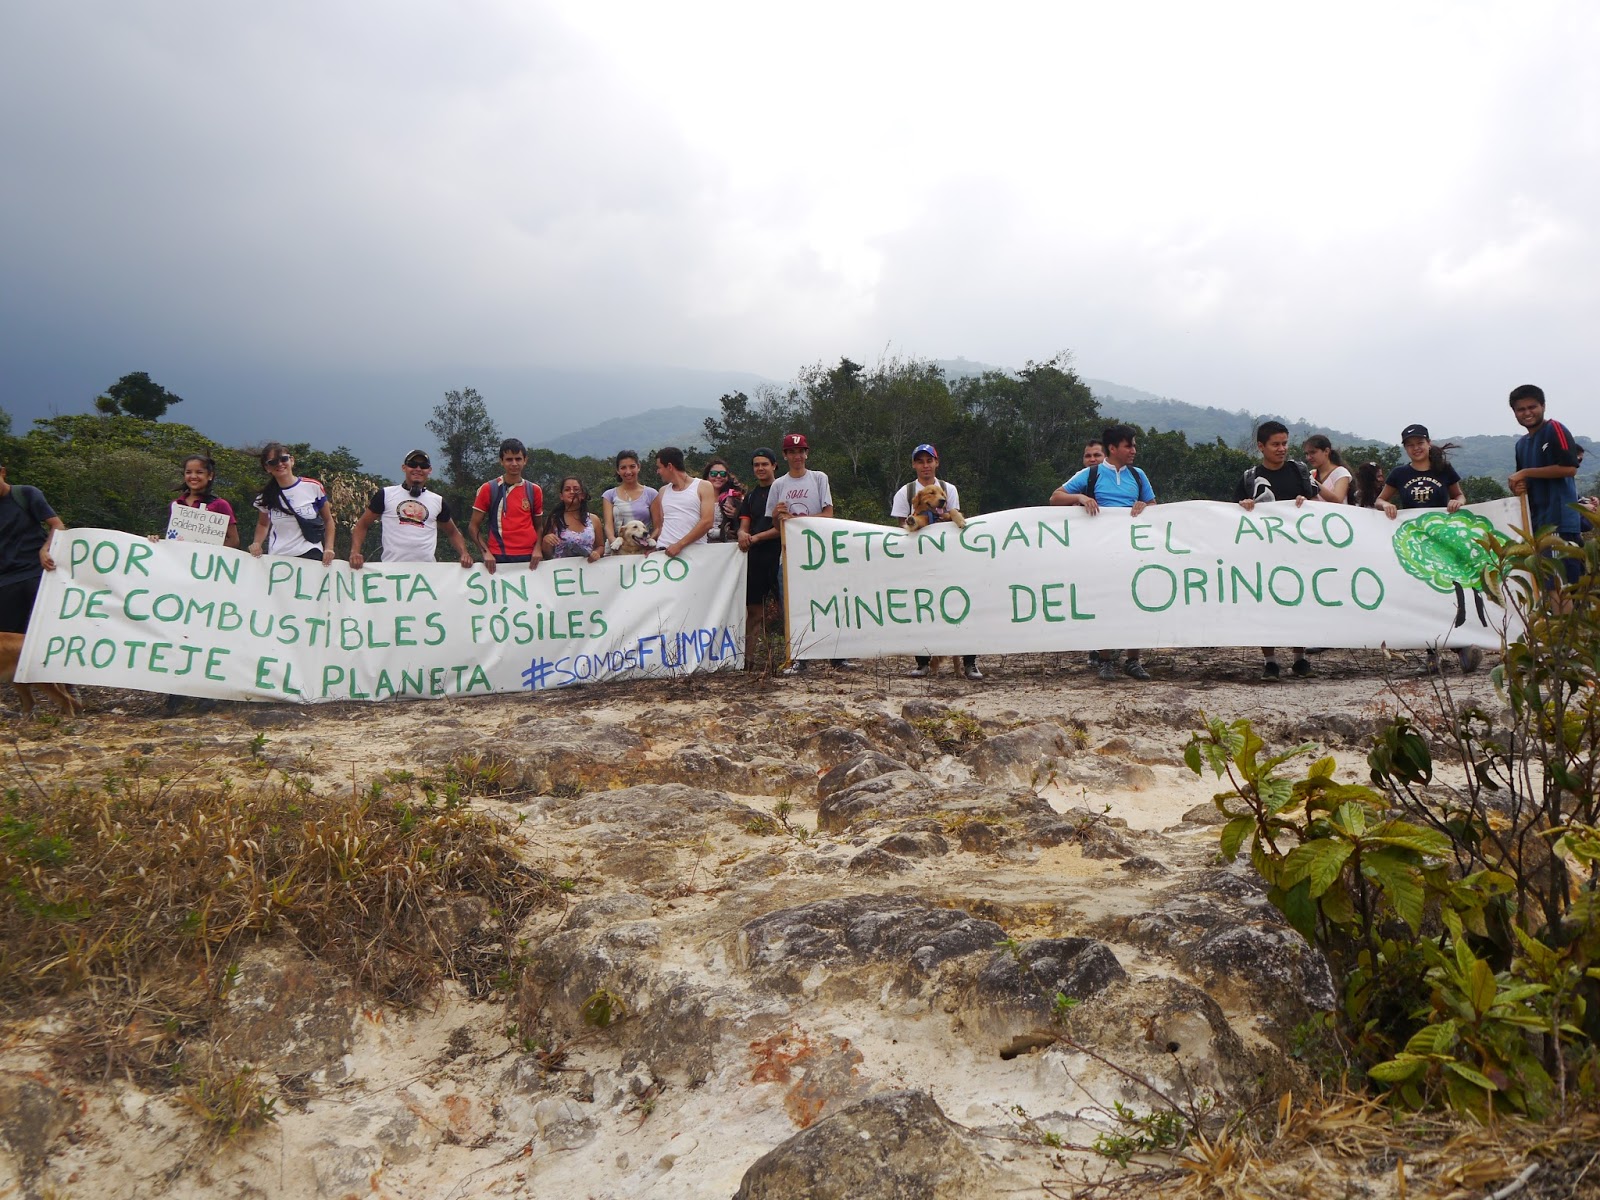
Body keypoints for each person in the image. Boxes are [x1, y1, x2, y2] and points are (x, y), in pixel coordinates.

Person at [1053, 424, 1156, 682]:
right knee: (1107, 602)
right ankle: (1106, 661)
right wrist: (1080, 498)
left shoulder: (1138, 474)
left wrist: (1145, 505)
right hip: (1103, 552)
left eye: (1133, 445)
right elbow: (1055, 497)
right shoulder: (1093, 473)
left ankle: (1133, 660)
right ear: (1113, 448)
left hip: (1135, 551)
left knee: (1137, 602)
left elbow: (1154, 506)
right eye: (1128, 445)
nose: (1134, 450)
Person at [1378, 424, 1479, 673]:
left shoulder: (1444, 470)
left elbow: (1461, 496)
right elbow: (1381, 498)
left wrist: (1458, 502)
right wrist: (1385, 506)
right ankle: (1432, 655)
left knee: (1449, 592)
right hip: (1414, 543)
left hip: (1444, 541)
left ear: (1428, 443)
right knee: (1423, 596)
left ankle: (1462, 645)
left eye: (1420, 443)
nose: (1416, 448)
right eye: (1410, 444)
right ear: (1405, 448)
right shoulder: (1399, 474)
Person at [890, 443, 981, 680]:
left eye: (929, 460)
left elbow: (956, 520)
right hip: (919, 560)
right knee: (922, 606)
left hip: (950, 559)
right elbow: (903, 526)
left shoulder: (948, 489)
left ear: (936, 463)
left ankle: (970, 662)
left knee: (962, 605)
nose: (925, 465)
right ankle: (923, 663)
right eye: (920, 461)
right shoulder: (906, 492)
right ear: (914, 465)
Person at [1236, 421, 1318, 679]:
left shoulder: (1300, 471)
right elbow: (1233, 513)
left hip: (1297, 549)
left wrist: (1307, 503)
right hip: (1263, 552)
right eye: (1275, 444)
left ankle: (1299, 658)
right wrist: (1245, 504)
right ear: (1261, 446)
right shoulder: (1249, 478)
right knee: (1266, 604)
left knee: (1300, 600)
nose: (1282, 449)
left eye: (1284, 443)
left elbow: (1319, 505)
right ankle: (1270, 661)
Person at [766, 433, 852, 674]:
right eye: (792, 452)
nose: (797, 456)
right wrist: (778, 515)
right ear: (785, 456)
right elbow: (775, 526)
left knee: (829, 602)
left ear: (807, 453)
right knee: (793, 607)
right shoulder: (779, 485)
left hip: (820, 554)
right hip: (791, 556)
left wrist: (795, 520)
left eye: (801, 451)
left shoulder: (818, 478)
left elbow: (828, 515)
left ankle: (838, 657)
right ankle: (799, 658)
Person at [1507, 384, 1583, 583]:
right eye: (1521, 409)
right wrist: (1517, 485)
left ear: (1543, 406)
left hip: (1560, 522)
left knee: (1561, 587)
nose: (1527, 413)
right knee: (1547, 586)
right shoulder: (1521, 444)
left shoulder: (1554, 429)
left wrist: (1524, 472)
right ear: (1514, 413)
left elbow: (1570, 468)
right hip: (1537, 526)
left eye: (1532, 407)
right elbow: (1524, 482)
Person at [349, 450, 472, 568]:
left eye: (423, 466)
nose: (418, 469)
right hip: (391, 570)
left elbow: (453, 532)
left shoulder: (438, 501)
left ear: (429, 470)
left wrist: (464, 554)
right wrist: (355, 552)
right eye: (413, 465)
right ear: (404, 468)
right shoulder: (385, 495)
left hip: (427, 574)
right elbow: (362, 525)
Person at [0, 460, 64, 635]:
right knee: (9, 642)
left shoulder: (25, 494)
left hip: (38, 575)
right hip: (5, 583)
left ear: (3, 473)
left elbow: (57, 526)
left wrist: (46, 548)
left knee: (46, 632)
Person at [249, 443, 334, 563]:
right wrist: (257, 543)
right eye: (273, 462)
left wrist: (329, 548)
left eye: (283, 459)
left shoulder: (313, 487)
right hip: (279, 557)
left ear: (292, 460)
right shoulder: (265, 497)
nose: (279, 464)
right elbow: (263, 524)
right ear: (267, 468)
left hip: (311, 553)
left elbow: (328, 520)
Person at [470, 438, 543, 574]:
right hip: (498, 556)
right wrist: (485, 552)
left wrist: (538, 548)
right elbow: (473, 526)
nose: (514, 464)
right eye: (509, 459)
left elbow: (538, 525)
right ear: (501, 461)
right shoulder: (489, 488)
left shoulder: (534, 490)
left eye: (518, 459)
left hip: (530, 557)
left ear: (525, 460)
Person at [737, 448, 781, 670]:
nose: (760, 468)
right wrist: (743, 535)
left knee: (788, 610)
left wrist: (755, 538)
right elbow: (744, 526)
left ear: (774, 465)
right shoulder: (751, 496)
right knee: (754, 612)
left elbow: (783, 527)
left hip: (781, 556)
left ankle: (795, 657)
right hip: (756, 560)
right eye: (756, 465)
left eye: (765, 464)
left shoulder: (784, 490)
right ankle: (748, 661)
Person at [651, 446, 715, 557]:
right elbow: (661, 525)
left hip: (695, 553)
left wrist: (679, 545)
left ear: (670, 466)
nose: (658, 472)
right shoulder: (663, 491)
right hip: (663, 552)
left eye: (659, 467)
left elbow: (707, 522)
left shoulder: (703, 486)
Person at [169, 454, 240, 549]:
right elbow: (170, 537)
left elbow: (234, 540)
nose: (193, 476)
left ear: (210, 475)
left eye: (199, 472)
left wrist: (210, 553)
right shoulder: (176, 504)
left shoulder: (220, 504)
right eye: (188, 472)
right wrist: (155, 541)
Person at [541, 476, 605, 563]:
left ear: (582, 495)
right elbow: (547, 555)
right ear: (561, 496)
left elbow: (601, 546)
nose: (572, 492)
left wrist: (597, 553)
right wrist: (546, 540)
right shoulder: (554, 519)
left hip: (588, 570)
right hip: (561, 571)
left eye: (576, 489)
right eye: (567, 489)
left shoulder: (594, 519)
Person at [602, 450, 657, 545]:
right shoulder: (609, 495)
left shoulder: (651, 494)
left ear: (638, 467)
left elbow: (658, 526)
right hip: (617, 550)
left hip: (643, 551)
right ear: (618, 470)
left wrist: (648, 543)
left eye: (632, 467)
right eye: (623, 468)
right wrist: (614, 542)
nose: (628, 472)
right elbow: (608, 526)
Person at [703, 457, 745, 543]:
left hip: (728, 546)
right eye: (714, 474)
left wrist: (737, 514)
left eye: (722, 474)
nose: (718, 476)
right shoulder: (698, 498)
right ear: (707, 476)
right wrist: (721, 533)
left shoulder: (735, 497)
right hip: (703, 545)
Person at [1303, 435, 1351, 504]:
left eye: (1313, 452)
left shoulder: (1341, 473)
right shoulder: (1312, 474)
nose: (1309, 457)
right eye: (1307, 454)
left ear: (1326, 451)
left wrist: (1313, 482)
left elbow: (1338, 499)